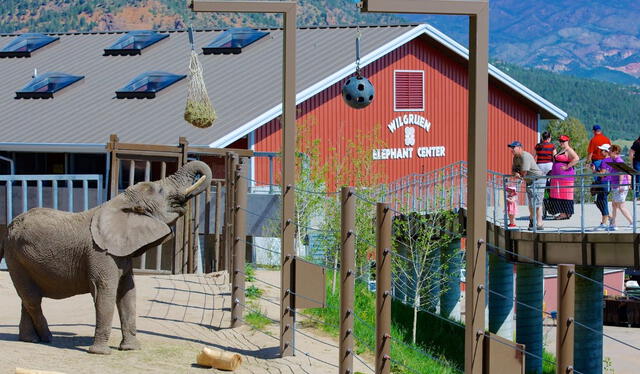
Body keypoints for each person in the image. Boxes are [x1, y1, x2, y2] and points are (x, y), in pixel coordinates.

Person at [509, 140, 544, 230]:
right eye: (511, 148)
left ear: (520, 148)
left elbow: (523, 172)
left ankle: (539, 224)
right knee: (531, 202)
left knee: (537, 202)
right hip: (529, 181)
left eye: (513, 148)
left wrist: (518, 174)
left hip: (538, 180)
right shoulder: (515, 158)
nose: (511, 150)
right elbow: (513, 170)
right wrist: (516, 173)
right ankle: (532, 221)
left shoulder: (526, 156)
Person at [600, 144, 632, 230]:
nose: (609, 152)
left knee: (621, 206)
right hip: (616, 185)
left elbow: (622, 173)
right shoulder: (614, 160)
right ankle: (613, 224)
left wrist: (621, 185)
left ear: (614, 152)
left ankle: (631, 222)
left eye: (610, 151)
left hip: (619, 186)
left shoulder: (618, 161)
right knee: (614, 205)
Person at [548, 135, 579, 220]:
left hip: (565, 178)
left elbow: (576, 158)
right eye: (560, 141)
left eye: (563, 141)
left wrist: (567, 166)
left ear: (567, 141)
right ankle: (564, 213)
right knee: (560, 195)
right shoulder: (562, 150)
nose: (561, 143)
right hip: (558, 177)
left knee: (564, 195)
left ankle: (564, 213)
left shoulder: (569, 150)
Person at [593, 144, 611, 230]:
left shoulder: (604, 161)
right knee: (601, 202)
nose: (600, 152)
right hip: (608, 183)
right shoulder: (611, 160)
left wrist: (594, 170)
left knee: (602, 202)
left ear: (606, 152)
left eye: (602, 150)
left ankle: (604, 223)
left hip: (604, 183)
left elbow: (602, 173)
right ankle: (609, 217)